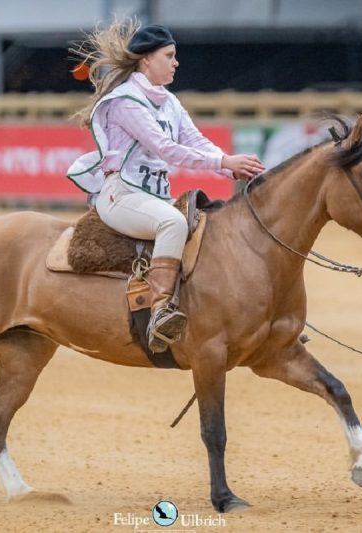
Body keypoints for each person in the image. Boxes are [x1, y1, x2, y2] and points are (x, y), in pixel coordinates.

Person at [67, 19, 265, 354]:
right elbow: (165, 148)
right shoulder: (126, 101)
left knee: (207, 228)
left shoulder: (168, 101)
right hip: (121, 195)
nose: (176, 62)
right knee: (171, 222)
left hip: (153, 196)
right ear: (146, 60)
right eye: (169, 55)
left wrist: (229, 165)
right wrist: (223, 163)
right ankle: (160, 311)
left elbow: (194, 140)